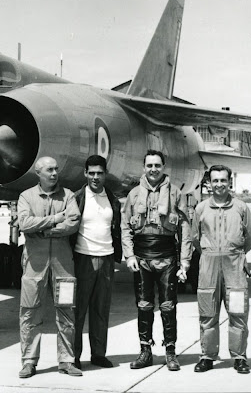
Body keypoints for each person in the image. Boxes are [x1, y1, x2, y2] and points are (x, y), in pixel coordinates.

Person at [121, 149, 192, 371]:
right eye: (150, 166)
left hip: (167, 257)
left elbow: (185, 228)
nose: (153, 170)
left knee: (168, 306)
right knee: (144, 305)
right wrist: (129, 255)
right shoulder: (133, 194)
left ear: (163, 167)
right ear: (144, 168)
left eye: (157, 166)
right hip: (142, 257)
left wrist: (185, 262)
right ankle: (145, 351)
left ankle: (170, 352)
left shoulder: (175, 194)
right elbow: (125, 226)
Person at [17, 156, 82, 378]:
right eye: (49, 170)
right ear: (39, 174)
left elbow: (73, 222)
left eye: (56, 169)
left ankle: (66, 360)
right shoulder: (26, 197)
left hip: (62, 264)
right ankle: (28, 361)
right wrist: (55, 219)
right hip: (35, 263)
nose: (54, 173)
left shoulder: (68, 196)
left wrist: (46, 231)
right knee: (30, 311)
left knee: (66, 311)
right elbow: (24, 224)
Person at [190, 165, 251, 374]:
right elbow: (194, 237)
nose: (219, 184)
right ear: (209, 183)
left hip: (234, 265)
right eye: (215, 180)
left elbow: (250, 236)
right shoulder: (201, 209)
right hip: (208, 265)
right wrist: (209, 252)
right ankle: (207, 356)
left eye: (223, 180)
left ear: (230, 182)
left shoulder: (241, 208)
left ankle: (239, 357)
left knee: (238, 312)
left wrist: (236, 253)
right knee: (207, 313)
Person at [71, 155, 122, 369]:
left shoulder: (112, 199)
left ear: (105, 174)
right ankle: (73, 356)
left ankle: (98, 354)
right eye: (91, 173)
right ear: (85, 174)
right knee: (78, 310)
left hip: (107, 259)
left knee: (101, 309)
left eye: (99, 173)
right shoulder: (77, 198)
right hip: (83, 258)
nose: (95, 177)